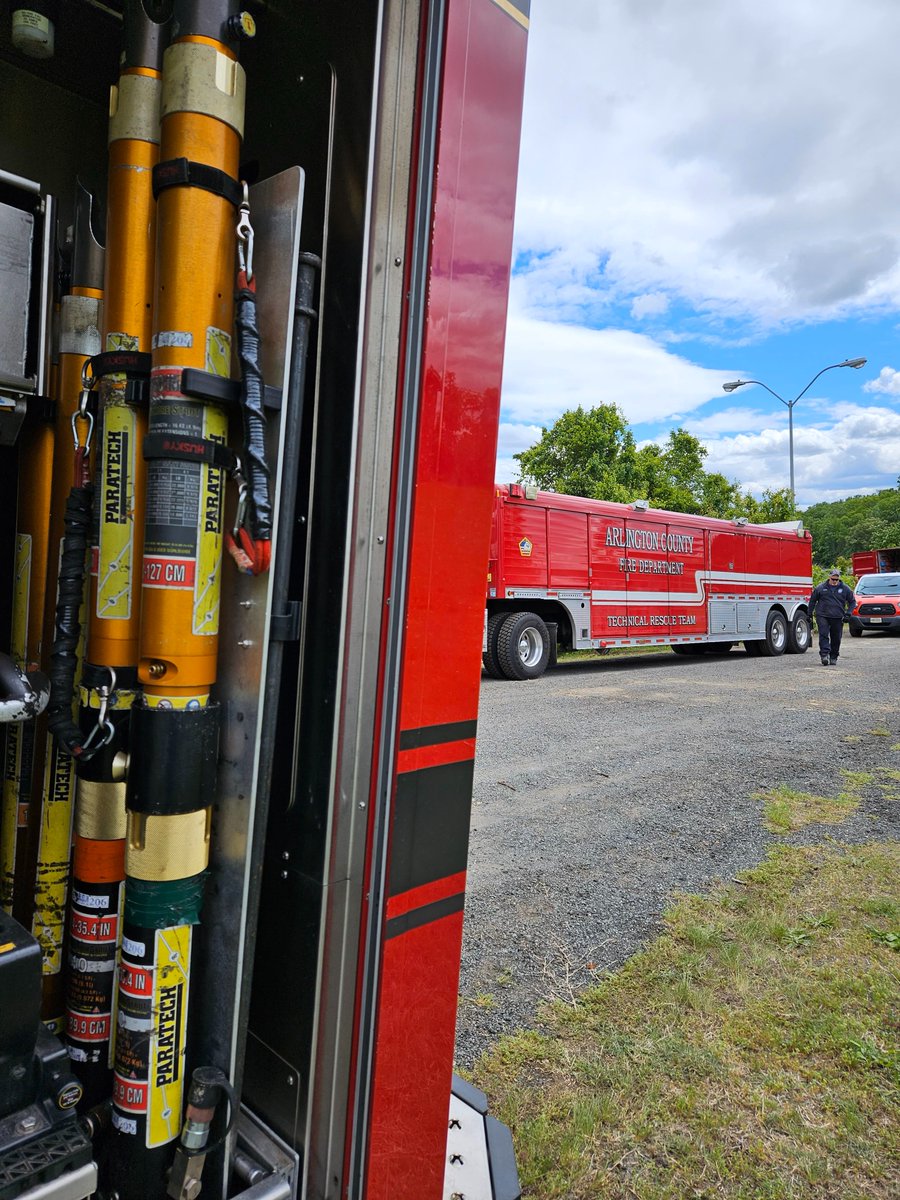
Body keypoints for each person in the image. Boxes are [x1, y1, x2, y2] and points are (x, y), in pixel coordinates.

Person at [808, 569, 855, 666]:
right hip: (822, 615)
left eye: (836, 579)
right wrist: (809, 614)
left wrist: (848, 613)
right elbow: (812, 601)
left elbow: (852, 602)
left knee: (836, 637)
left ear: (839, 579)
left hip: (838, 616)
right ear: (829, 577)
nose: (835, 581)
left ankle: (833, 656)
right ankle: (824, 655)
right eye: (833, 579)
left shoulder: (845, 589)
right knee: (824, 634)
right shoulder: (820, 588)